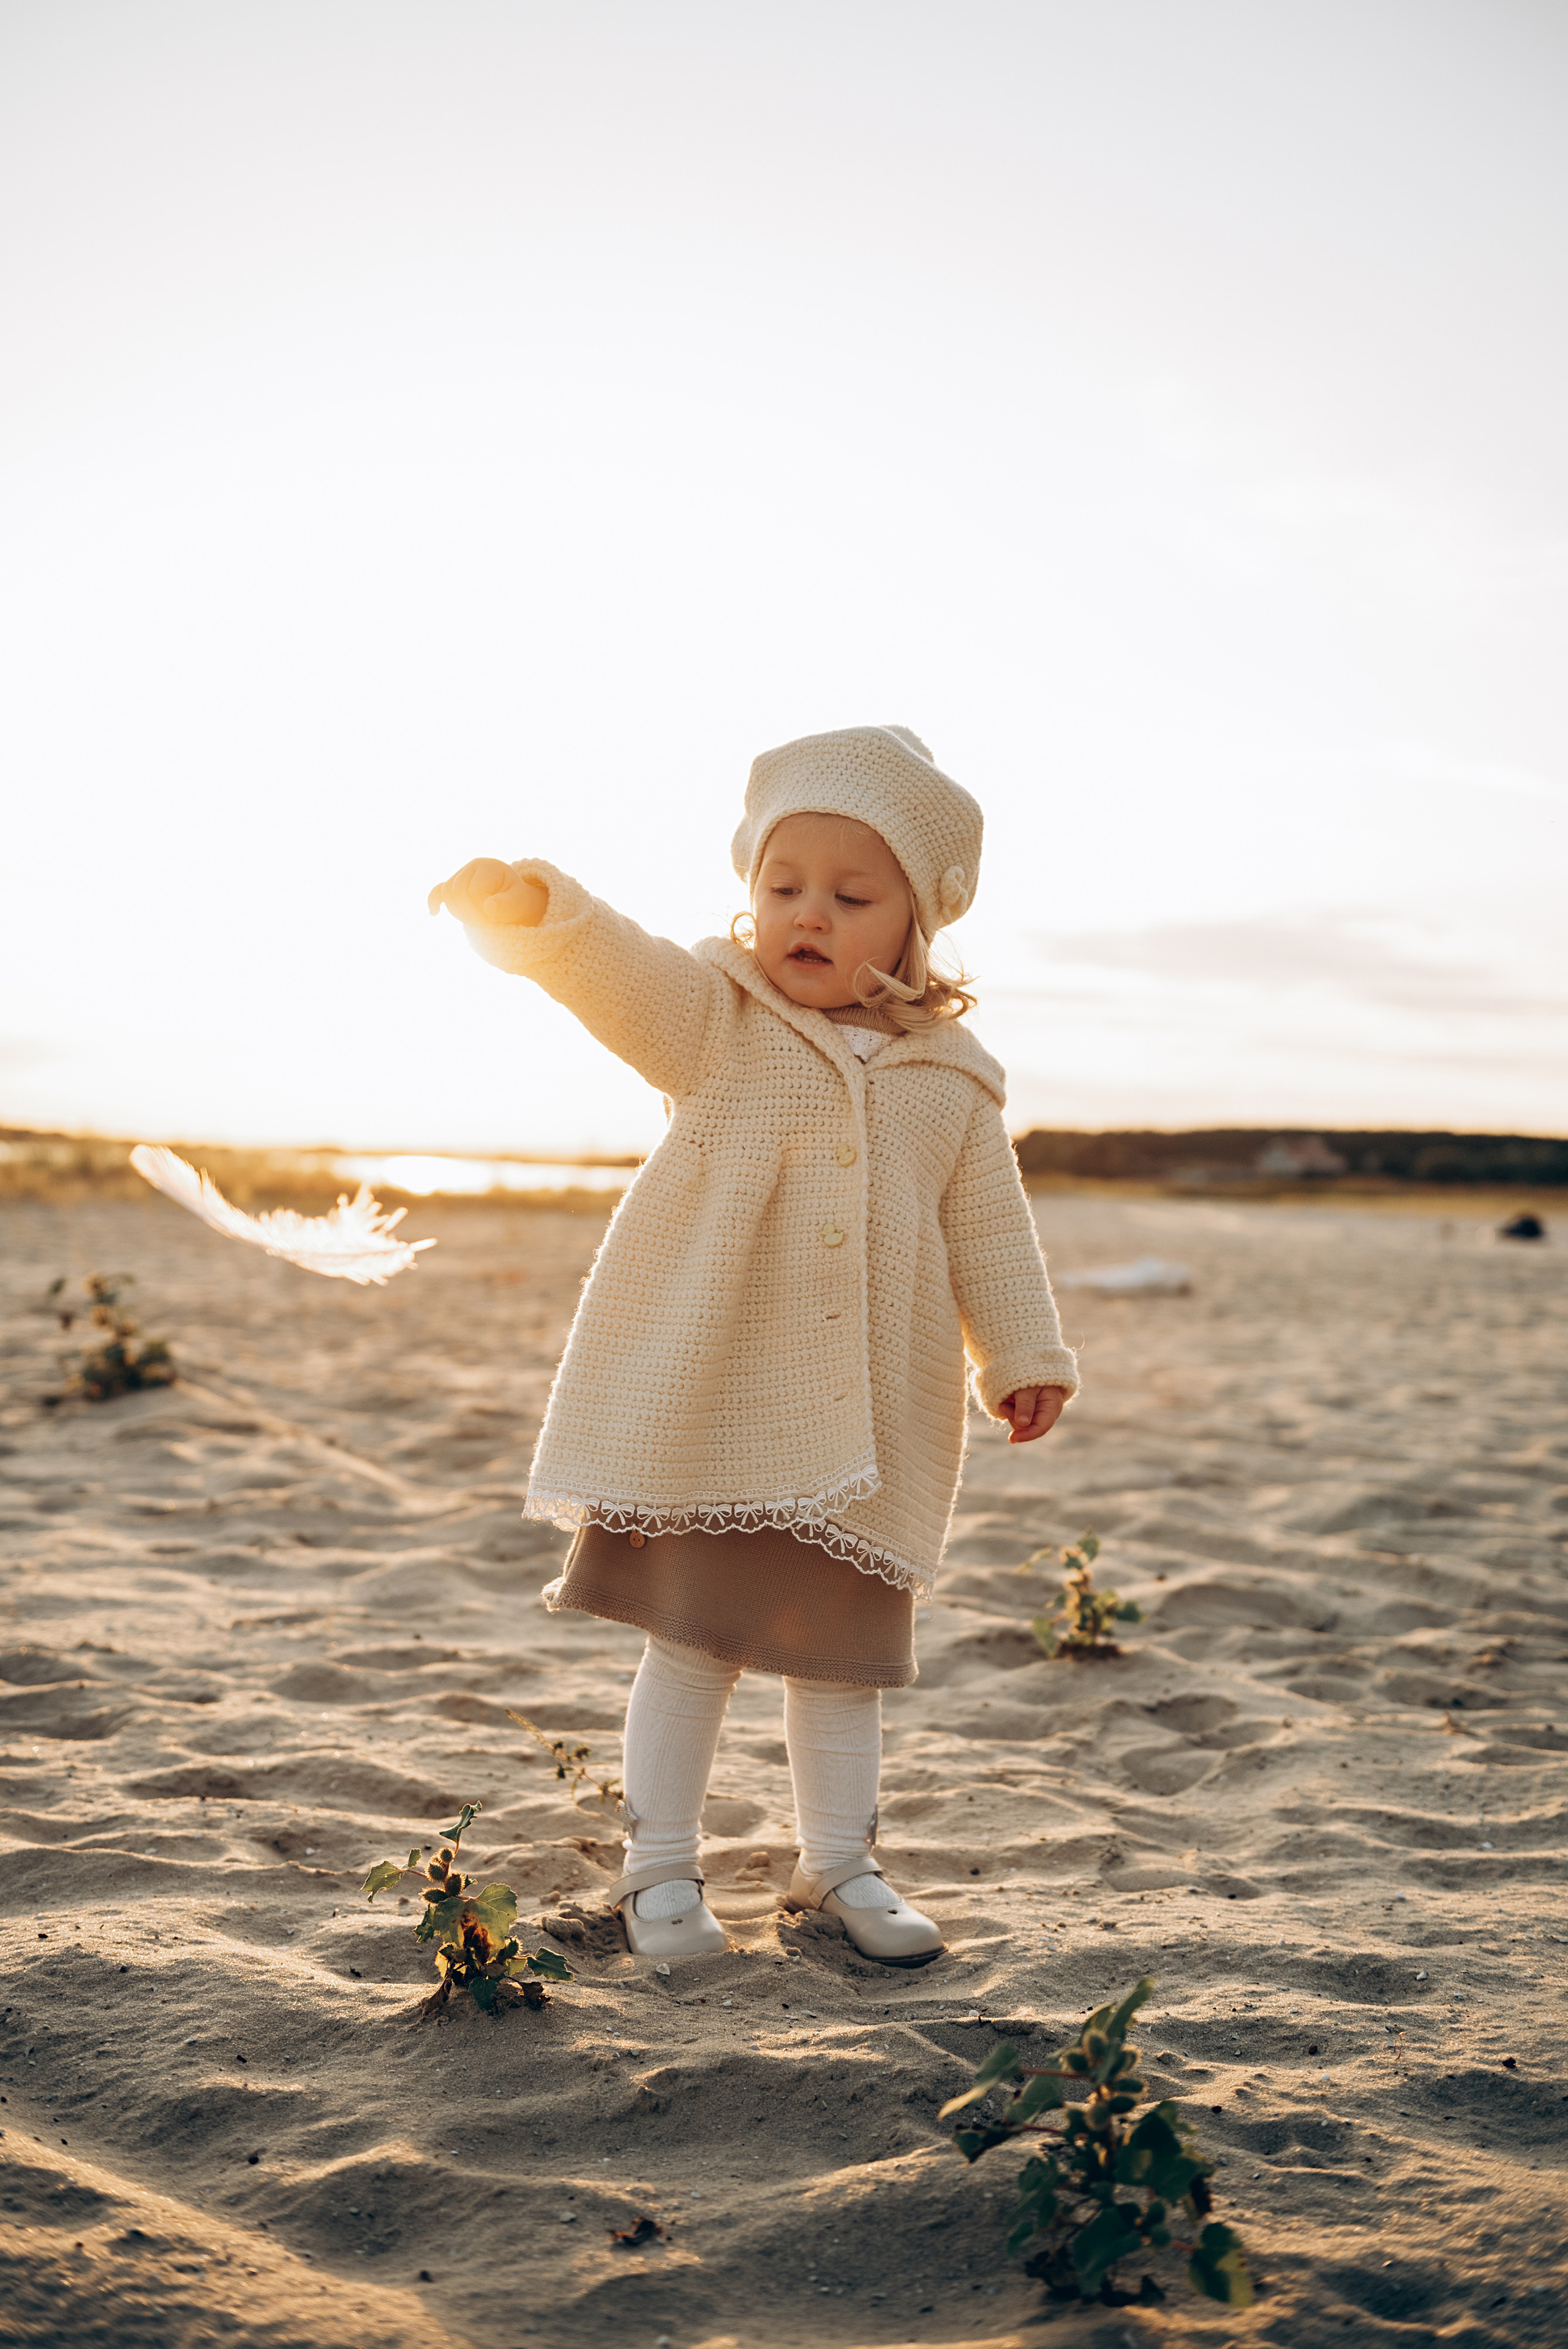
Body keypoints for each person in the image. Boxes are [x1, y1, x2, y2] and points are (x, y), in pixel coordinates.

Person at [428, 725, 1077, 1967]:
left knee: (839, 1665)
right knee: (693, 1648)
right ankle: (658, 1871)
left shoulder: (956, 1074)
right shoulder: (716, 1017)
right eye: (782, 887)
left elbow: (988, 1229)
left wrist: (1022, 1352)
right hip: (721, 1405)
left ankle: (836, 1866)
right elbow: (613, 973)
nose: (807, 916)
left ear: (914, 920)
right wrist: (537, 912)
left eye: (849, 894)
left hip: (872, 1425)